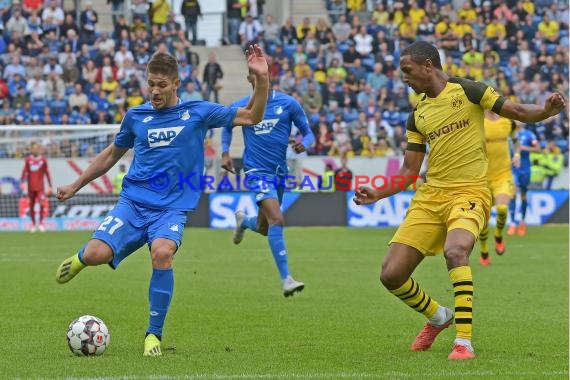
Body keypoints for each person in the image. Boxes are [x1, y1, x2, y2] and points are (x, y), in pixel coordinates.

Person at [353, 41, 566, 360]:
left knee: (456, 251)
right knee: (391, 274)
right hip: (431, 196)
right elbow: (410, 170)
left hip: (470, 191)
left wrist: (547, 111)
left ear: (428, 66)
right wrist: (379, 193)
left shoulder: (469, 90)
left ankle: (463, 342)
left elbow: (519, 112)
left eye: (407, 71)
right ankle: (439, 316)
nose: (404, 79)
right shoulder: (418, 114)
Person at [55, 45, 270, 356]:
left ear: (176, 84)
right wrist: (76, 185)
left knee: (163, 251)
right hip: (133, 203)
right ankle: (80, 259)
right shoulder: (136, 116)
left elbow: (252, 115)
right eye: (150, 84)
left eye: (161, 85)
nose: (154, 91)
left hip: (171, 208)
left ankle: (152, 335)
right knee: (96, 253)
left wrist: (262, 80)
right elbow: (111, 155)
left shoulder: (198, 112)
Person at [221, 47, 314, 297]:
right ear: (249, 79)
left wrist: (305, 142)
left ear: (267, 74)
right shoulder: (242, 107)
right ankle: (287, 279)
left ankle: (244, 221)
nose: (256, 77)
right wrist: (225, 152)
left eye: (259, 72)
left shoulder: (288, 103)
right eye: (252, 73)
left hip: (279, 173)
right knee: (277, 219)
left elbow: (309, 132)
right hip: (256, 171)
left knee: (264, 227)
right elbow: (227, 127)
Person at [478, 110, 518, 266]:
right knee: (483, 220)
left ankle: (499, 235)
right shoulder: (478, 122)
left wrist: (517, 155)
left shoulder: (508, 123)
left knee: (502, 209)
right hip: (482, 178)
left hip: (503, 175)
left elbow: (516, 141)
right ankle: (484, 251)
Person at [507, 123, 541, 236]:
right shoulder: (508, 134)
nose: (518, 121)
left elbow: (538, 149)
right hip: (513, 168)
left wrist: (523, 148)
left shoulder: (529, 134)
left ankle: (522, 222)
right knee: (513, 193)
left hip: (525, 169)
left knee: (523, 195)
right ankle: (512, 223)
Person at [20, 141, 52, 232]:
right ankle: (34, 224)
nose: (35, 149)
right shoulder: (28, 160)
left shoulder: (43, 160)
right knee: (31, 205)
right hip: (30, 187)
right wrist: (22, 182)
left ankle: (41, 223)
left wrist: (50, 185)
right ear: (31, 149)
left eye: (37, 148)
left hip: (40, 187)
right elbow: (24, 171)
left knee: (42, 203)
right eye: (33, 148)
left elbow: (47, 173)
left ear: (39, 149)